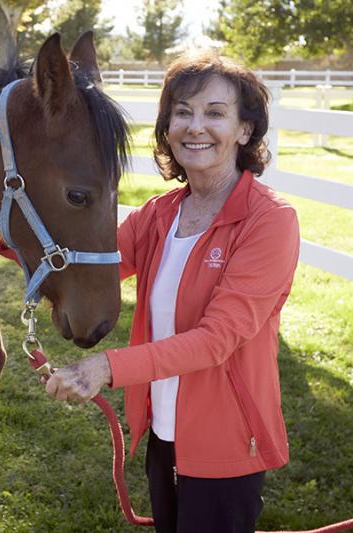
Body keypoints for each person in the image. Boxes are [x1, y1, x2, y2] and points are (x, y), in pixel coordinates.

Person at [44, 51, 300, 533]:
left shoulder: (271, 221)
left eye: (215, 113)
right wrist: (5, 224)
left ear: (245, 131)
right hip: (163, 434)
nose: (195, 126)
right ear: (167, 126)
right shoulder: (160, 214)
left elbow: (216, 339)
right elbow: (78, 259)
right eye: (182, 111)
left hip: (227, 445)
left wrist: (104, 367)